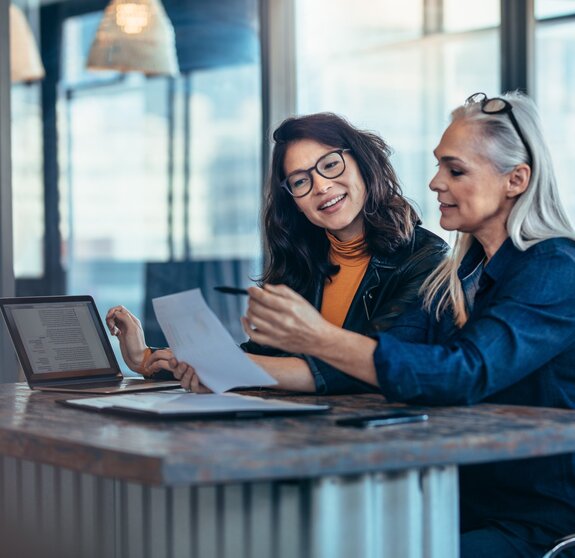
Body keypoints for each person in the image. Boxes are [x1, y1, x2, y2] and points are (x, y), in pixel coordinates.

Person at [241, 92, 575, 557]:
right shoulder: (456, 276)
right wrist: (219, 368)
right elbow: (379, 357)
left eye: (455, 170)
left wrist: (316, 336)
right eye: (439, 165)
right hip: (454, 499)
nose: (436, 182)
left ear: (515, 180)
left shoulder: (557, 268)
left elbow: (463, 372)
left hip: (536, 523)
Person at [106, 112, 447, 393]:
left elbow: (369, 366)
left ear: (363, 163)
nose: (321, 186)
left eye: (330, 165)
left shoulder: (427, 259)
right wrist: (147, 359)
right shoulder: (303, 261)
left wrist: (225, 369)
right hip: (299, 435)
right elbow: (261, 358)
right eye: (300, 181)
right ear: (294, 202)